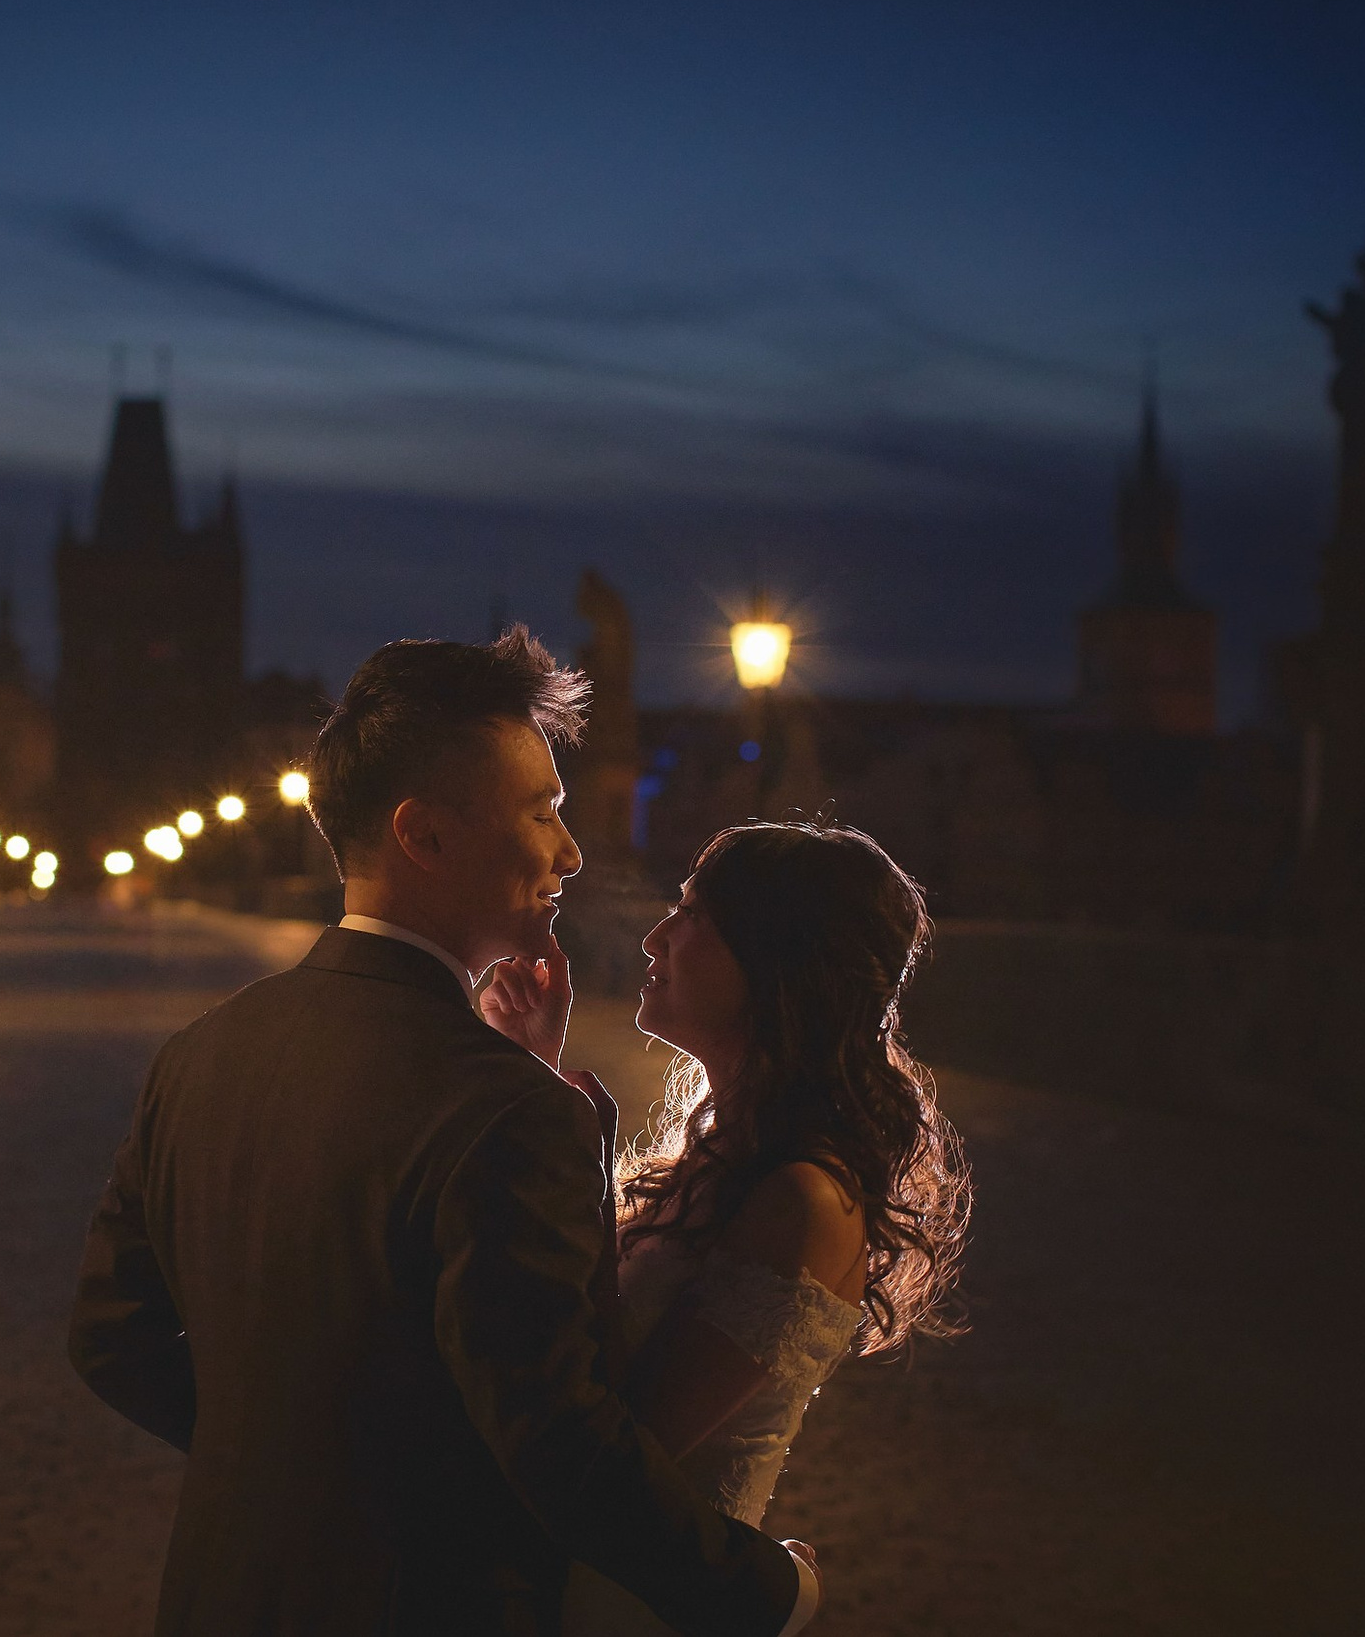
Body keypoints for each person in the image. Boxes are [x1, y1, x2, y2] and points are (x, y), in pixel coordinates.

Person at [70, 630, 821, 1634]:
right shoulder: (508, 1109)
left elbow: (109, 1335)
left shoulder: (201, 1051)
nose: (572, 850)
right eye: (542, 811)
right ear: (423, 836)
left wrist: (297, 1461)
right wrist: (770, 1589)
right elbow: (559, 1440)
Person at [562, 822, 973, 1635]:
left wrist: (779, 1589)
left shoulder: (803, 1202)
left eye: (693, 916)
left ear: (779, 965)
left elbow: (615, 1447)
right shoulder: (723, 1154)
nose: (656, 937)